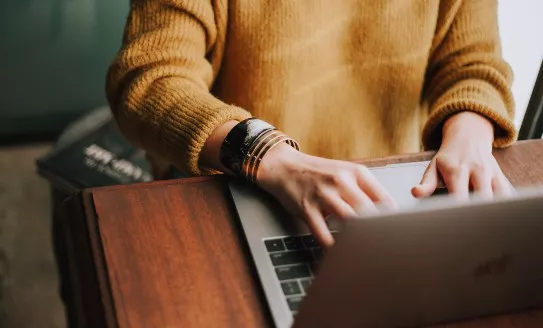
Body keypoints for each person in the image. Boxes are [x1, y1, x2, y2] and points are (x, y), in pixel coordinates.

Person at [106, 0, 517, 247]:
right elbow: (150, 78)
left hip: (390, 197)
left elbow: (473, 64)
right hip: (235, 186)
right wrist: (267, 155)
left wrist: (470, 131)